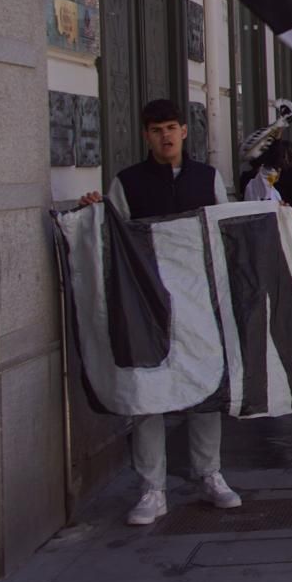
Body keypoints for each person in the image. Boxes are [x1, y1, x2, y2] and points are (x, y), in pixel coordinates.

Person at [76, 99, 243, 525]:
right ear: (145, 135)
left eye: (171, 127)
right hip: (145, 305)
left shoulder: (208, 178)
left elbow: (224, 234)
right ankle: (152, 488)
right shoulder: (126, 182)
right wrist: (92, 210)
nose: (165, 136)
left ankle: (211, 475)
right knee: (146, 391)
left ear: (185, 131)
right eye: (156, 129)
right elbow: (109, 237)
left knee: (205, 389)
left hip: (198, 302)